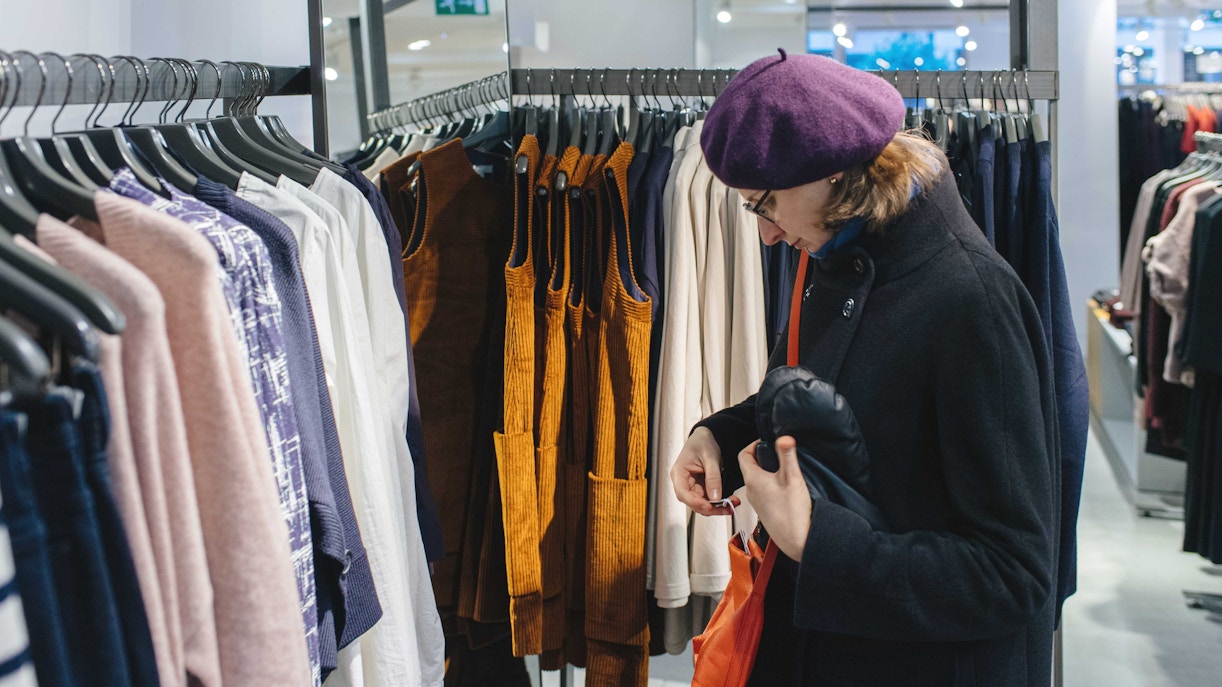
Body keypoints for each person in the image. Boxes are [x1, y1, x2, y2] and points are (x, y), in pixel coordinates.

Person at [670, 50, 1059, 687]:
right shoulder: (833, 255)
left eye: (765, 204)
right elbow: (800, 385)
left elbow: (1012, 574)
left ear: (834, 172)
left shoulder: (971, 300)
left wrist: (816, 542)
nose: (766, 235)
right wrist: (721, 432)